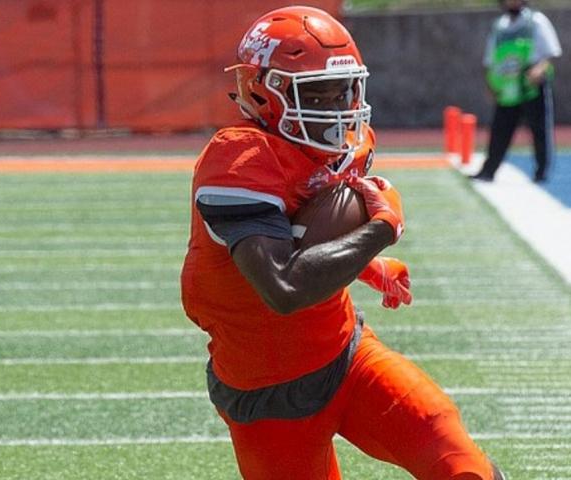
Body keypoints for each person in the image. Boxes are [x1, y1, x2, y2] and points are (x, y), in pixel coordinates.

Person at [180, 7, 504, 479]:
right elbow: (284, 287)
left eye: (342, 90)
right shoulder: (240, 159)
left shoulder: (348, 144)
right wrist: (380, 231)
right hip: (267, 390)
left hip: (347, 354)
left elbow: (309, 232)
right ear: (262, 90)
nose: (334, 106)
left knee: (458, 461)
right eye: (316, 92)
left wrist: (367, 267)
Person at [472, 0, 562, 182]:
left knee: (539, 130)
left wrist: (539, 70)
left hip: (531, 88)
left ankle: (541, 172)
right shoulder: (499, 26)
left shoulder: (536, 21)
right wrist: (491, 85)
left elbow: (550, 52)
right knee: (500, 130)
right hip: (507, 89)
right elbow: (490, 60)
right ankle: (489, 170)